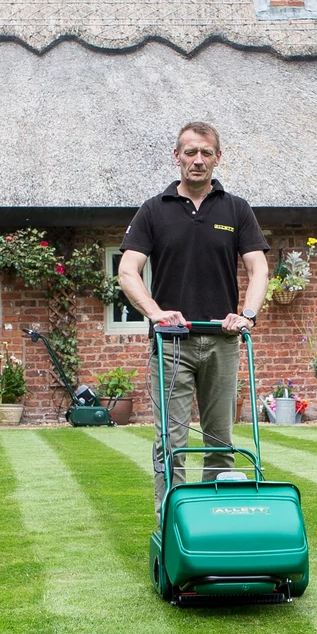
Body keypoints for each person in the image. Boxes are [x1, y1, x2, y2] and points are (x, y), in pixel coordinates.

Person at [116, 120, 269, 512]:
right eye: (190, 152)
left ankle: (214, 521)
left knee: (220, 442)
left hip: (222, 342)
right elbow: (128, 270)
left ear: (217, 158)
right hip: (172, 346)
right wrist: (155, 313)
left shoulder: (237, 209)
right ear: (177, 157)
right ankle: (172, 524)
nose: (197, 160)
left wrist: (247, 315)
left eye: (206, 153)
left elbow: (258, 269)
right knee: (171, 442)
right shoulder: (154, 210)